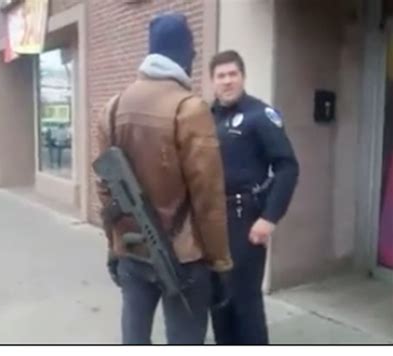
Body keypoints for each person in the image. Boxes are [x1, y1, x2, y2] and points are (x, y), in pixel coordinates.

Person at [96, 13, 233, 345]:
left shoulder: (111, 109)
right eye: (192, 52)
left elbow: (105, 191)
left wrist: (114, 246)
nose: (195, 58)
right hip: (184, 259)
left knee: (134, 340)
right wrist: (220, 263)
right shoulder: (190, 109)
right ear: (182, 54)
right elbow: (208, 198)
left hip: (132, 251)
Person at [209, 50, 300, 345]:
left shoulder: (260, 115)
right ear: (212, 81)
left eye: (232, 74)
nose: (227, 81)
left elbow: (287, 167)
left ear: (243, 77)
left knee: (245, 303)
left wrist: (269, 218)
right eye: (220, 76)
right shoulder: (205, 118)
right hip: (212, 222)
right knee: (219, 300)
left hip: (245, 221)